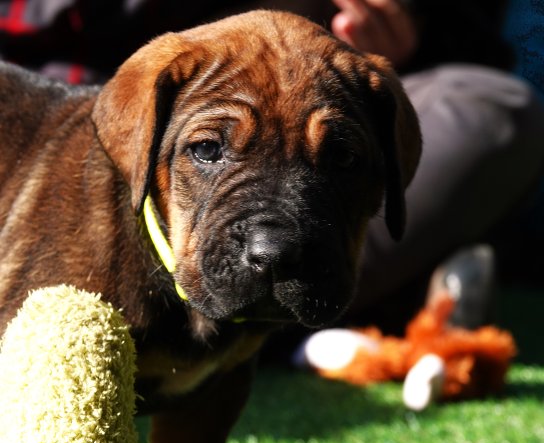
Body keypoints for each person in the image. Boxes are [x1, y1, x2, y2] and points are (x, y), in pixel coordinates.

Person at [0, 0, 543, 333]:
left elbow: (475, 38)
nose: (271, 244)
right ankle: (382, 304)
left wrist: (409, 21)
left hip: (336, 72)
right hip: (103, 94)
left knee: (499, 108)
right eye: (211, 151)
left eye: (338, 157)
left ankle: (290, 315)